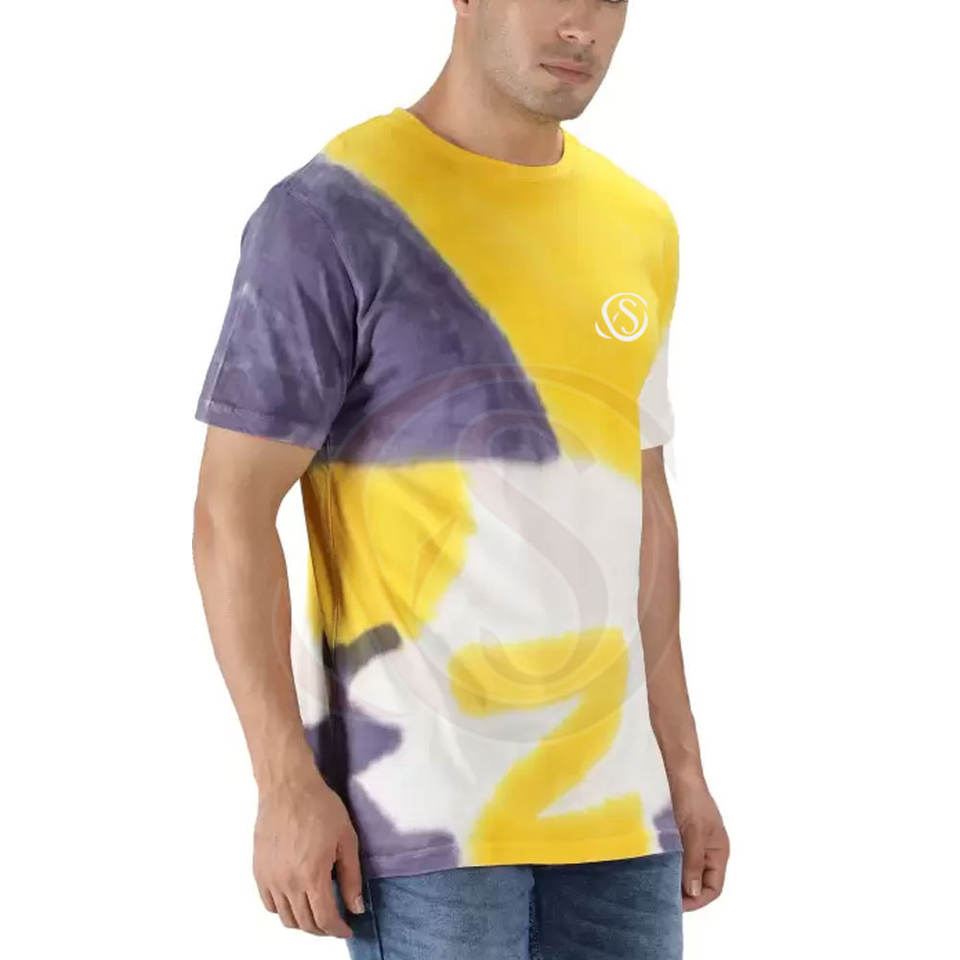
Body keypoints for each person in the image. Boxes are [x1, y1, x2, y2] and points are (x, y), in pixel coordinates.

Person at [191, 1, 729, 956]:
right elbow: (229, 513)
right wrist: (284, 782)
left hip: (620, 818)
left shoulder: (639, 223)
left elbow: (643, 510)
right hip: (419, 823)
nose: (583, 25)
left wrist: (680, 765)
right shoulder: (333, 212)